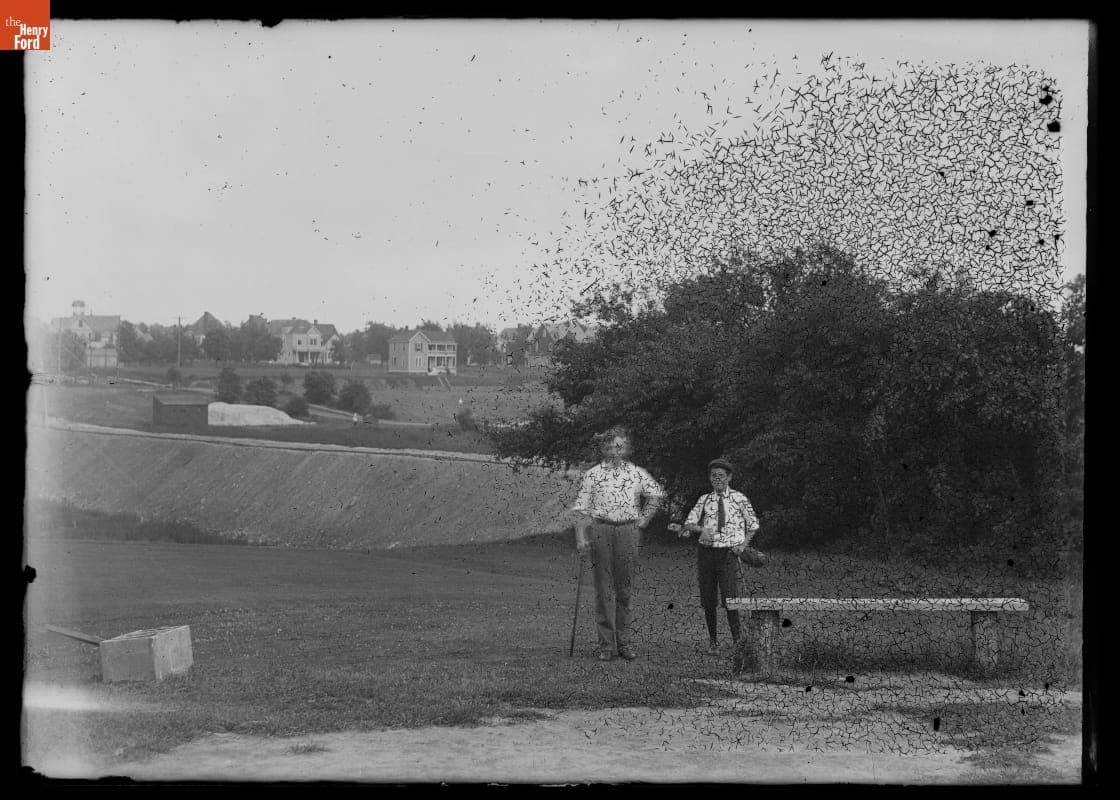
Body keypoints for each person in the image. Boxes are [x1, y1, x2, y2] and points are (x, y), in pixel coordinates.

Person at [572, 426, 665, 662]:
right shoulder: (593, 474)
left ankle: (624, 643)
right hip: (601, 529)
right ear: (604, 448)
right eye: (613, 445)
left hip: (628, 531)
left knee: (624, 590)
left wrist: (643, 520)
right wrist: (581, 538)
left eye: (621, 445)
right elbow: (582, 509)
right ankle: (606, 645)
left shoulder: (636, 473)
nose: (617, 449)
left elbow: (655, 495)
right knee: (603, 590)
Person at [673, 458, 760, 656]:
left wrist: (742, 545)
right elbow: (688, 523)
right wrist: (701, 529)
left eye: (721, 475)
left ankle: (738, 643)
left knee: (730, 598)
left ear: (729, 477)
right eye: (714, 476)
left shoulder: (739, 498)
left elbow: (753, 525)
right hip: (706, 554)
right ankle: (713, 642)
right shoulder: (704, 499)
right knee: (708, 599)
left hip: (728, 554)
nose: (717, 479)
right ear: (710, 478)